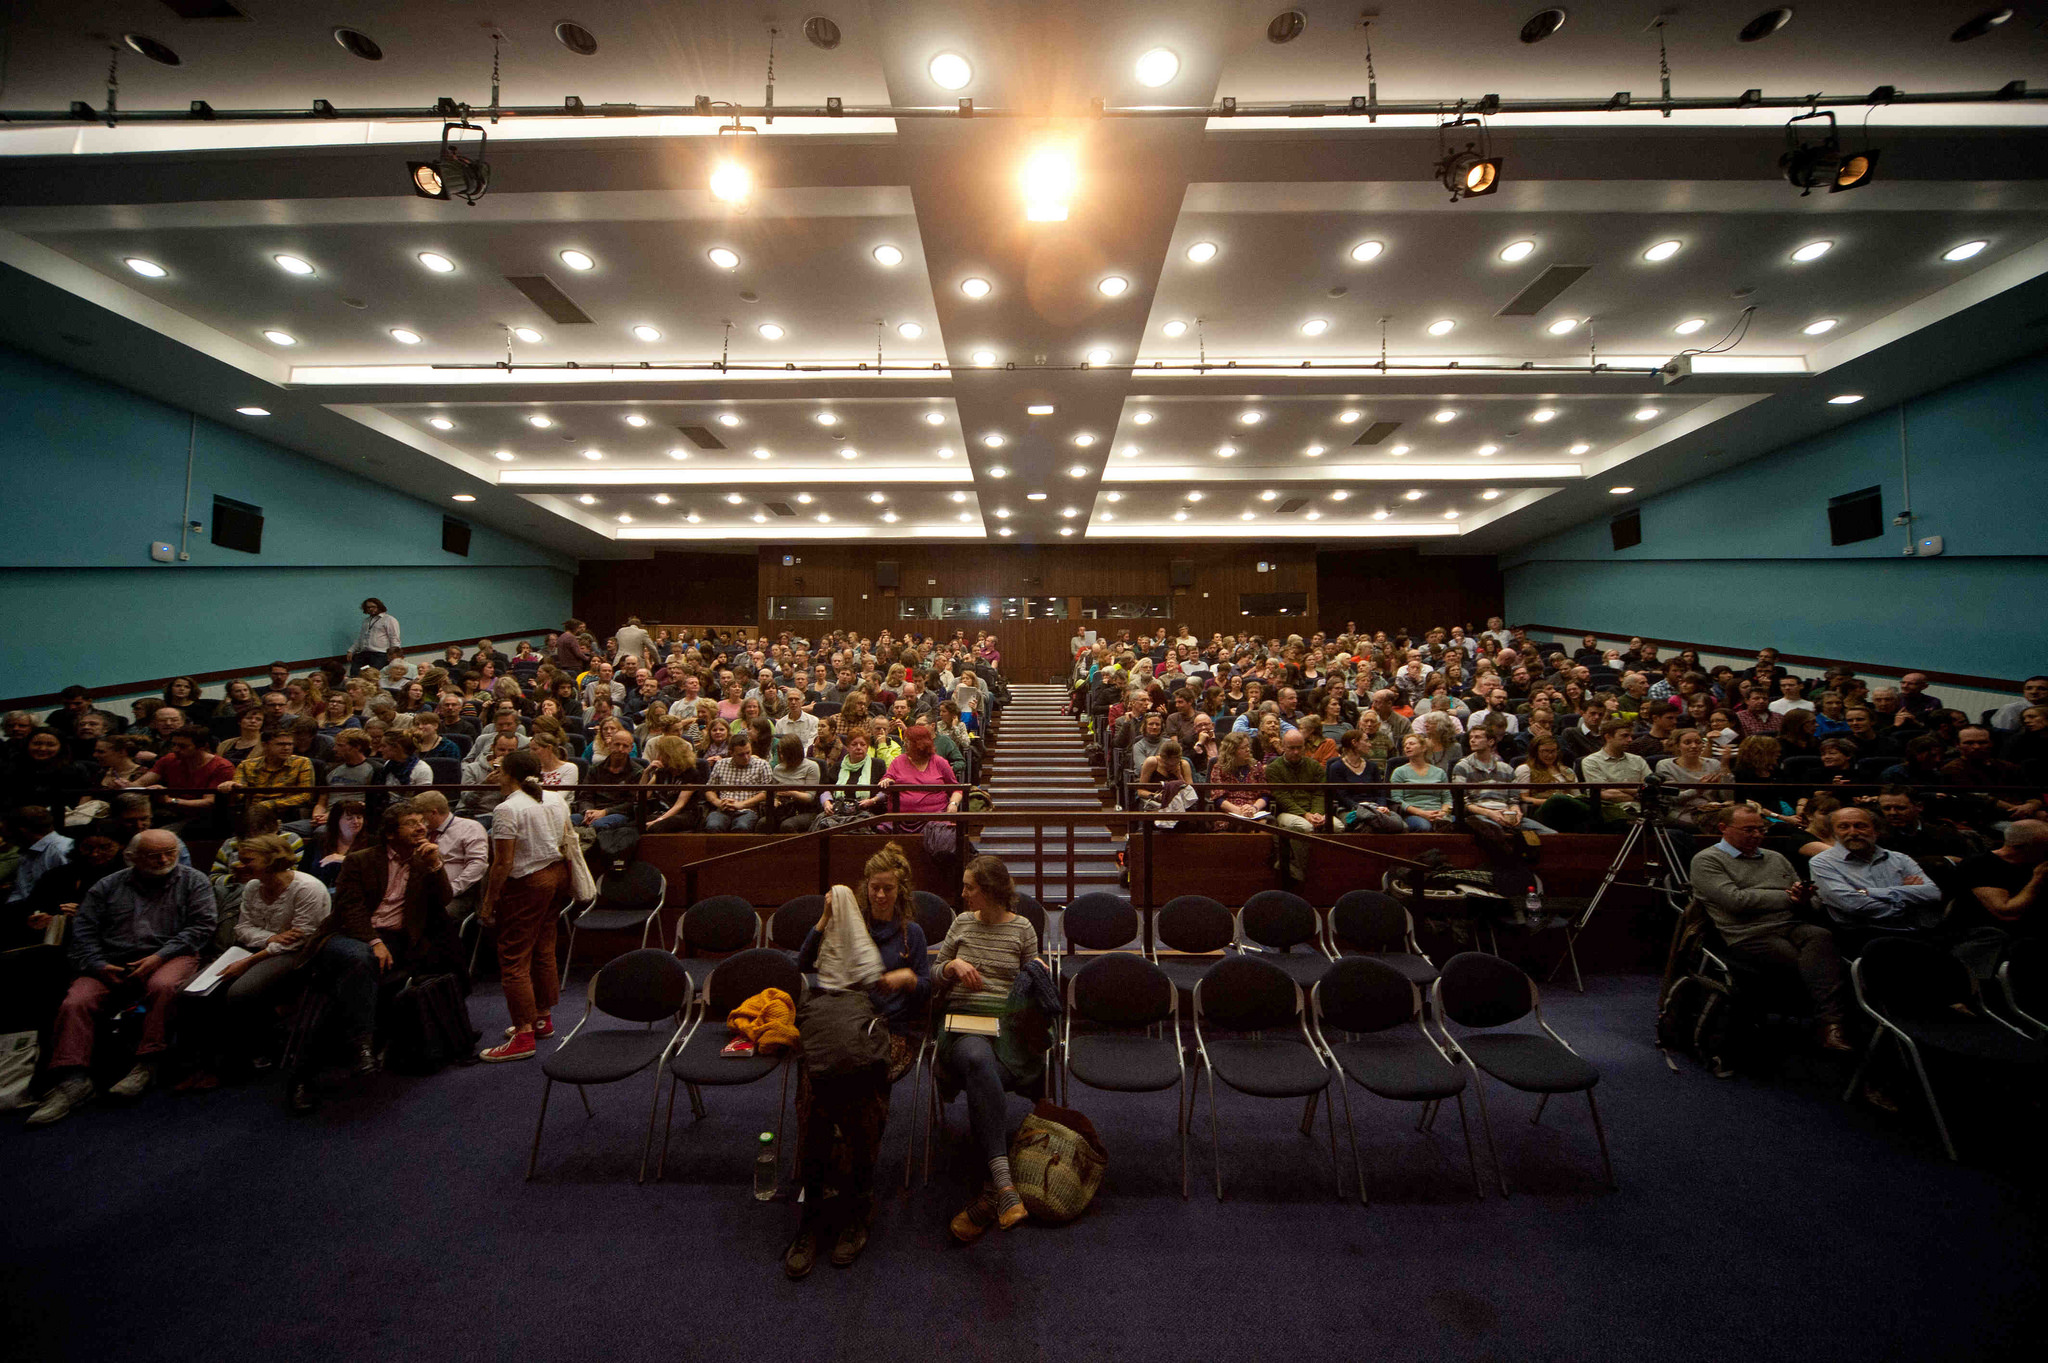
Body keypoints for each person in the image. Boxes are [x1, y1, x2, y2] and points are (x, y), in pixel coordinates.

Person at [784, 847, 932, 1277]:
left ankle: (856, 1210)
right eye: (875, 888)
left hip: (887, 1033)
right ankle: (812, 1214)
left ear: (901, 889)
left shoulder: (911, 935)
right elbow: (803, 964)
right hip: (839, 1027)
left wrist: (909, 980)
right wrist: (826, 919)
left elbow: (925, 990)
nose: (881, 895)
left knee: (862, 1093)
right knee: (816, 1091)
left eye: (888, 888)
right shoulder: (851, 926)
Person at [27, 830, 218, 1125]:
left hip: (169, 955)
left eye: (170, 852)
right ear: (132, 857)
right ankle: (73, 1079)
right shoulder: (107, 886)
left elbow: (201, 928)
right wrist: (98, 964)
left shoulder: (193, 881)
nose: (164, 860)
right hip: (112, 961)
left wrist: (158, 957)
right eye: (155, 855)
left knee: (163, 985)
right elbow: (84, 932)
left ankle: (147, 1062)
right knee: (76, 1002)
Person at [293, 800, 464, 1109]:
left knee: (336, 994)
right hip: (347, 934)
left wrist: (438, 866)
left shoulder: (423, 861)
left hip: (396, 939)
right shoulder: (360, 860)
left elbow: (444, 900)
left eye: (421, 821)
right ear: (389, 834)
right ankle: (362, 1042)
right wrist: (372, 941)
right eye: (410, 823)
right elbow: (350, 909)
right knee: (362, 960)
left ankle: (306, 1075)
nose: (420, 827)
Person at [934, 855, 1041, 1244]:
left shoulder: (1023, 929)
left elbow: (1035, 979)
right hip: (962, 1026)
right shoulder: (961, 923)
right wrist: (952, 967)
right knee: (977, 1057)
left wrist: (1037, 973)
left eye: (969, 887)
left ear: (992, 890)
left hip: (1009, 1029)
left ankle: (992, 1192)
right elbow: (934, 974)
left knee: (984, 1072)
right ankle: (1005, 1183)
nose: (962, 893)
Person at [1689, 807, 1852, 1052]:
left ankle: (1830, 1024)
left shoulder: (1775, 858)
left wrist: (1803, 900)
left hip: (1791, 924)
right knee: (1813, 966)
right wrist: (1788, 897)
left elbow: (1813, 901)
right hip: (1748, 932)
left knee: (1822, 937)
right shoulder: (1707, 860)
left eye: (1761, 829)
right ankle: (1833, 1024)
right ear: (1724, 829)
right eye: (1749, 830)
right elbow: (1736, 902)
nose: (1757, 835)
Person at [178, 834, 328, 1090]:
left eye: (248, 860)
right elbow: (243, 929)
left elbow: (302, 939)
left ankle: (234, 1067)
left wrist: (251, 959)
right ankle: (202, 1065)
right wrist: (272, 937)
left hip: (297, 956)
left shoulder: (307, 888)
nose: (239, 865)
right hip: (256, 949)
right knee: (190, 992)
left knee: (241, 993)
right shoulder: (252, 886)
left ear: (272, 860)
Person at [476, 753, 571, 1062]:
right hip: (557, 877)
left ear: (511, 775)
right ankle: (541, 1018)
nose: (497, 777)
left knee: (514, 958)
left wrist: (488, 903)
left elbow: (502, 863)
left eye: (499, 771)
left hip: (527, 884)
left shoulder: (507, 808)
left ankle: (523, 1033)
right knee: (544, 948)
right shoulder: (555, 799)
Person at [1807, 806, 1944, 937]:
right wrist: (1907, 900)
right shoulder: (1822, 863)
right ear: (1833, 833)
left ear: (1876, 830)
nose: (1853, 833)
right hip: (1862, 934)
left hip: (1916, 931)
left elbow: (1933, 893)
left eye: (1861, 826)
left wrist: (1869, 892)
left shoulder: (1899, 859)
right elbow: (1853, 905)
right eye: (1843, 827)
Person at [1264, 728, 1327, 881]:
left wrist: (1317, 813)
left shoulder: (1314, 766)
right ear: (1283, 747)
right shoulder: (1274, 768)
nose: (1297, 752)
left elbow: (1320, 792)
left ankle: (1296, 864)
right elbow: (1282, 797)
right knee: (1306, 827)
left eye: (1300, 747)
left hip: (1313, 812)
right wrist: (1305, 815)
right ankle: (1300, 872)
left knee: (1338, 827)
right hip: (1287, 812)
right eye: (1292, 748)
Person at [879, 724, 962, 830]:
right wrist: (887, 780)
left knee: (944, 835)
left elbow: (957, 789)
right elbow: (887, 777)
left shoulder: (940, 762)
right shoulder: (898, 761)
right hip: (899, 820)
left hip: (934, 820)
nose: (904, 745)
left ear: (920, 745)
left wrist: (953, 804)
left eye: (908, 742)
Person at [703, 732, 774, 833]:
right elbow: (709, 789)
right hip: (723, 809)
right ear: (731, 753)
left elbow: (766, 793)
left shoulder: (762, 765)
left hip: (748, 810)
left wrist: (741, 804)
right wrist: (718, 802)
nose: (746, 757)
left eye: (748, 752)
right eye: (741, 754)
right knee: (713, 826)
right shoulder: (721, 764)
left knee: (741, 827)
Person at [1390, 733, 1453, 832]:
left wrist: (1444, 812)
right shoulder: (1399, 772)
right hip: (1413, 814)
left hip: (1438, 812)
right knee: (1424, 826)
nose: (1407, 747)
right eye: (1405, 745)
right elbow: (1397, 800)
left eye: (1411, 743)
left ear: (1423, 748)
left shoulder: (1439, 772)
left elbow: (1447, 798)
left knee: (1458, 824)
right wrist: (1422, 813)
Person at [770, 734, 822, 832]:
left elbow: (810, 797)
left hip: (805, 810)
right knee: (763, 823)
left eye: (784, 753)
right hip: (784, 808)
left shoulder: (811, 767)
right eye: (780, 753)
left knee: (787, 825)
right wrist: (775, 800)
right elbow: (775, 794)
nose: (782, 756)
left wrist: (791, 793)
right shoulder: (778, 769)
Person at [347, 596, 401, 679]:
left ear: (379, 606)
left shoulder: (389, 619)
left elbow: (394, 638)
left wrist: (395, 656)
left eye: (373, 607)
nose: (371, 609)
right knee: (356, 674)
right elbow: (361, 638)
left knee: (373, 677)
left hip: (380, 654)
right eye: (368, 607)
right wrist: (351, 650)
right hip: (365, 653)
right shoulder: (366, 621)